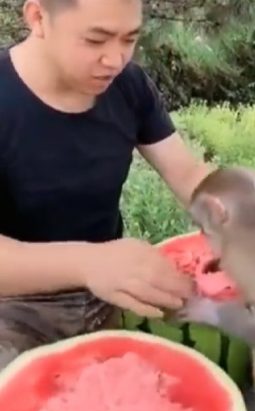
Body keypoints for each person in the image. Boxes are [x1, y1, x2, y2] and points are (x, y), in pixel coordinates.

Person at [0, 0, 212, 366]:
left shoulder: (129, 86)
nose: (115, 60)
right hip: (12, 306)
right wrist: (90, 263)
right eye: (95, 40)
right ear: (38, 17)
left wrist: (248, 220)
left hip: (109, 297)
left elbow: (188, 175)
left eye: (129, 39)